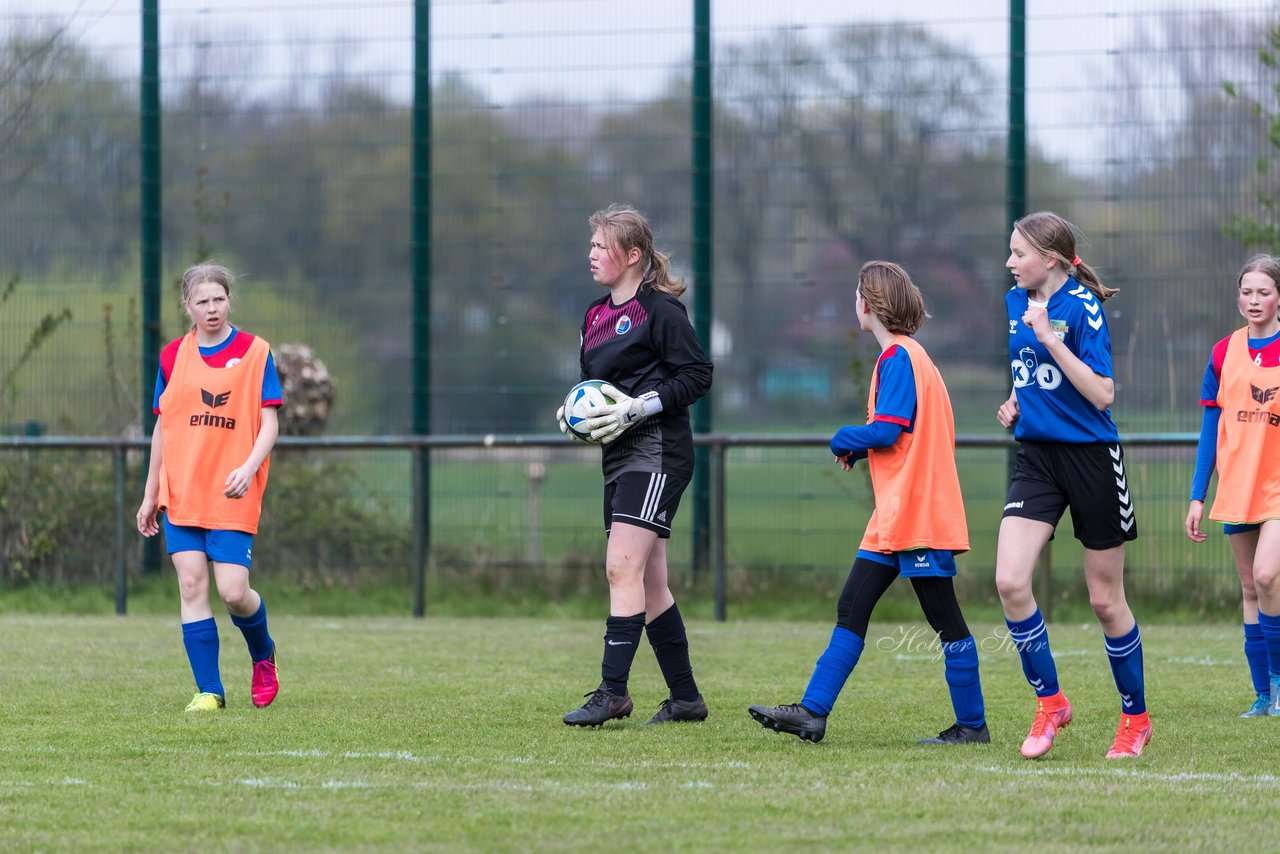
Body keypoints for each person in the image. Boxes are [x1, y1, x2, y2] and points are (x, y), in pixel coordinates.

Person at [747, 261, 988, 746]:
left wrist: (845, 438)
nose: (854, 301)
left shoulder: (898, 357)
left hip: (917, 513)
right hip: (897, 513)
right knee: (851, 605)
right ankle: (812, 712)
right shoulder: (912, 357)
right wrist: (863, 448)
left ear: (870, 304)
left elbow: (889, 429)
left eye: (856, 293)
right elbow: (903, 433)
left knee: (946, 621)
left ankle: (972, 725)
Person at [995, 211, 1149, 759]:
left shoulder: (1083, 309)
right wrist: (1019, 400)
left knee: (1105, 602)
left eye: (1019, 254)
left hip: (1090, 459)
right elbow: (1033, 370)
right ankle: (1051, 702)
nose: (1010, 263)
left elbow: (1103, 394)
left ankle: (1135, 719)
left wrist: (1050, 342)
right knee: (1011, 582)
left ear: (1051, 259)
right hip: (1037, 458)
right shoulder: (1016, 302)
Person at [554, 204, 713, 727]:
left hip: (658, 453)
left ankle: (612, 692)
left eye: (601, 245)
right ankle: (686, 699)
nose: (592, 254)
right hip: (619, 456)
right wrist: (574, 412)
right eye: (593, 244)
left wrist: (637, 407)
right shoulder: (595, 316)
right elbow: (593, 386)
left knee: (621, 567)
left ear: (633, 255)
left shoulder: (660, 312)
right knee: (648, 583)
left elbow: (696, 375)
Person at [136, 263, 283, 712]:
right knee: (192, 585)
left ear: (229, 300)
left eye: (218, 299)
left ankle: (263, 655)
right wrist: (149, 494)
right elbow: (162, 429)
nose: (212, 308)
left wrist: (248, 467)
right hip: (181, 492)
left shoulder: (256, 352)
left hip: (231, 492)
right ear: (188, 306)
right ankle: (209, 691)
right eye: (202, 301)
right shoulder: (171, 357)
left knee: (235, 592)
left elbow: (270, 423)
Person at [1185, 254, 1280, 718]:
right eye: (1247, 291)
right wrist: (1197, 496)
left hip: (1278, 488)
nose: (1254, 300)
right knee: (1249, 587)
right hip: (1239, 486)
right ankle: (1263, 696)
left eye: (1264, 291)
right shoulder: (1224, 352)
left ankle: (1279, 689)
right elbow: (1210, 429)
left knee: (1267, 576)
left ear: (1278, 296)